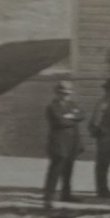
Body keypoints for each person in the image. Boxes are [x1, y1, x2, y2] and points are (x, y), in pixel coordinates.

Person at [42, 81, 85, 210]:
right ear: (57, 93)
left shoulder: (72, 104)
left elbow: (82, 115)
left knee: (68, 170)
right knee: (55, 171)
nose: (65, 96)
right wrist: (73, 117)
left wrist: (69, 116)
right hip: (59, 142)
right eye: (63, 93)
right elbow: (59, 121)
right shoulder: (52, 106)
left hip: (72, 142)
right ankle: (48, 198)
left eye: (67, 94)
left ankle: (66, 194)